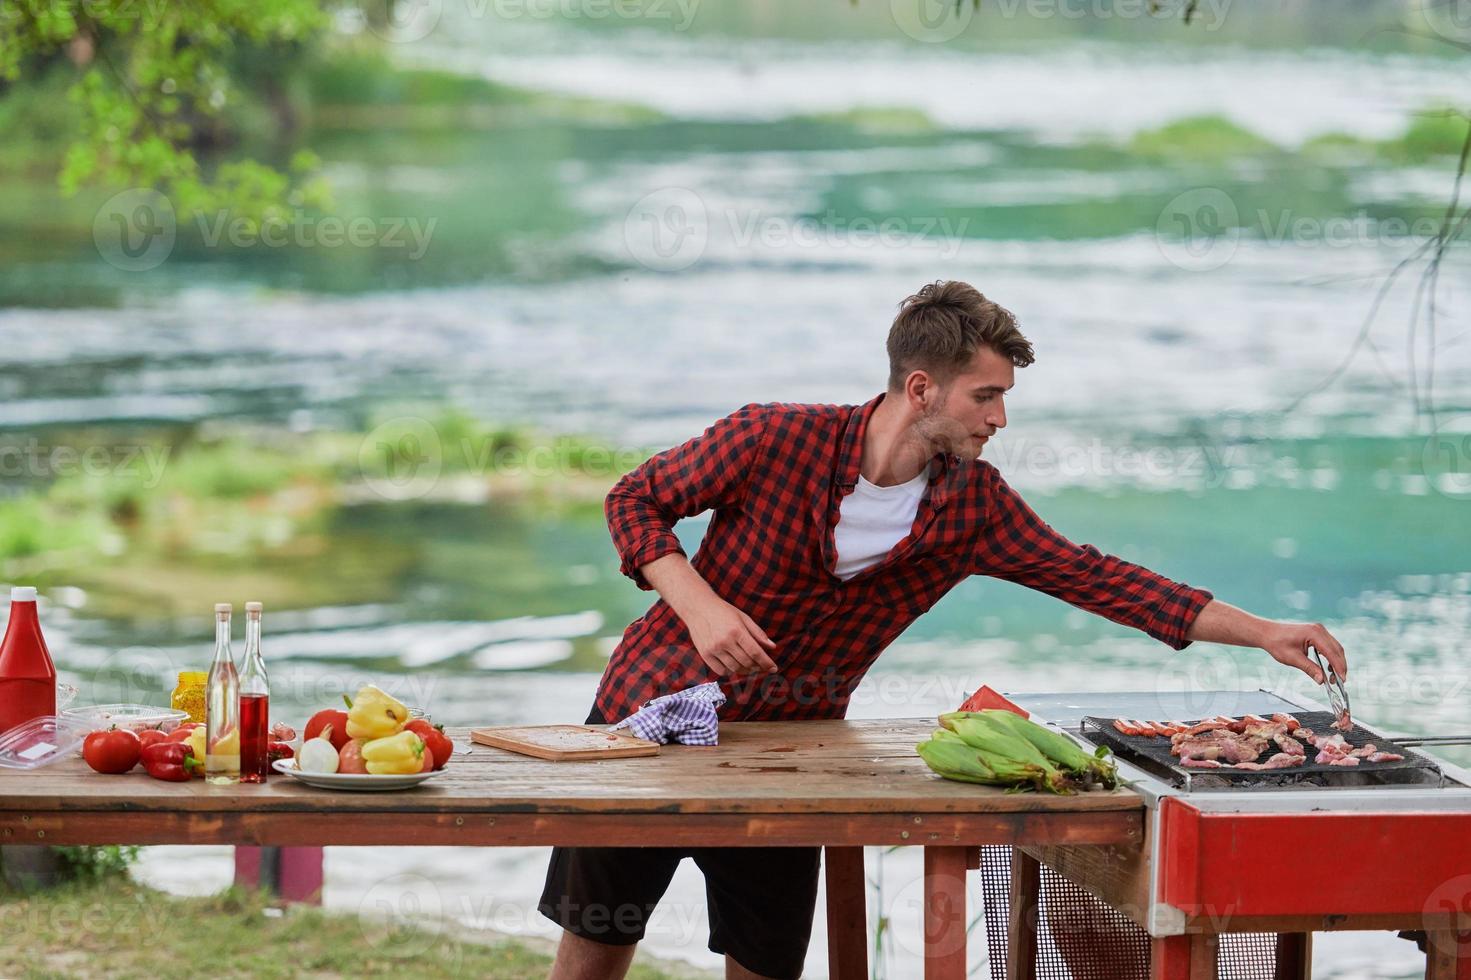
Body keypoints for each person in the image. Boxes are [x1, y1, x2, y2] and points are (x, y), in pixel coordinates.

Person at [539, 279, 1349, 980]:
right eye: (984, 397)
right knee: (596, 938)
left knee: (764, 959)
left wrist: (1260, 630)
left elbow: (1098, 578)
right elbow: (634, 499)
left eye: (1002, 398)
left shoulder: (973, 506)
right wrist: (700, 604)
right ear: (921, 387)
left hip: (789, 754)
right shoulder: (772, 437)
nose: (999, 418)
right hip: (645, 722)